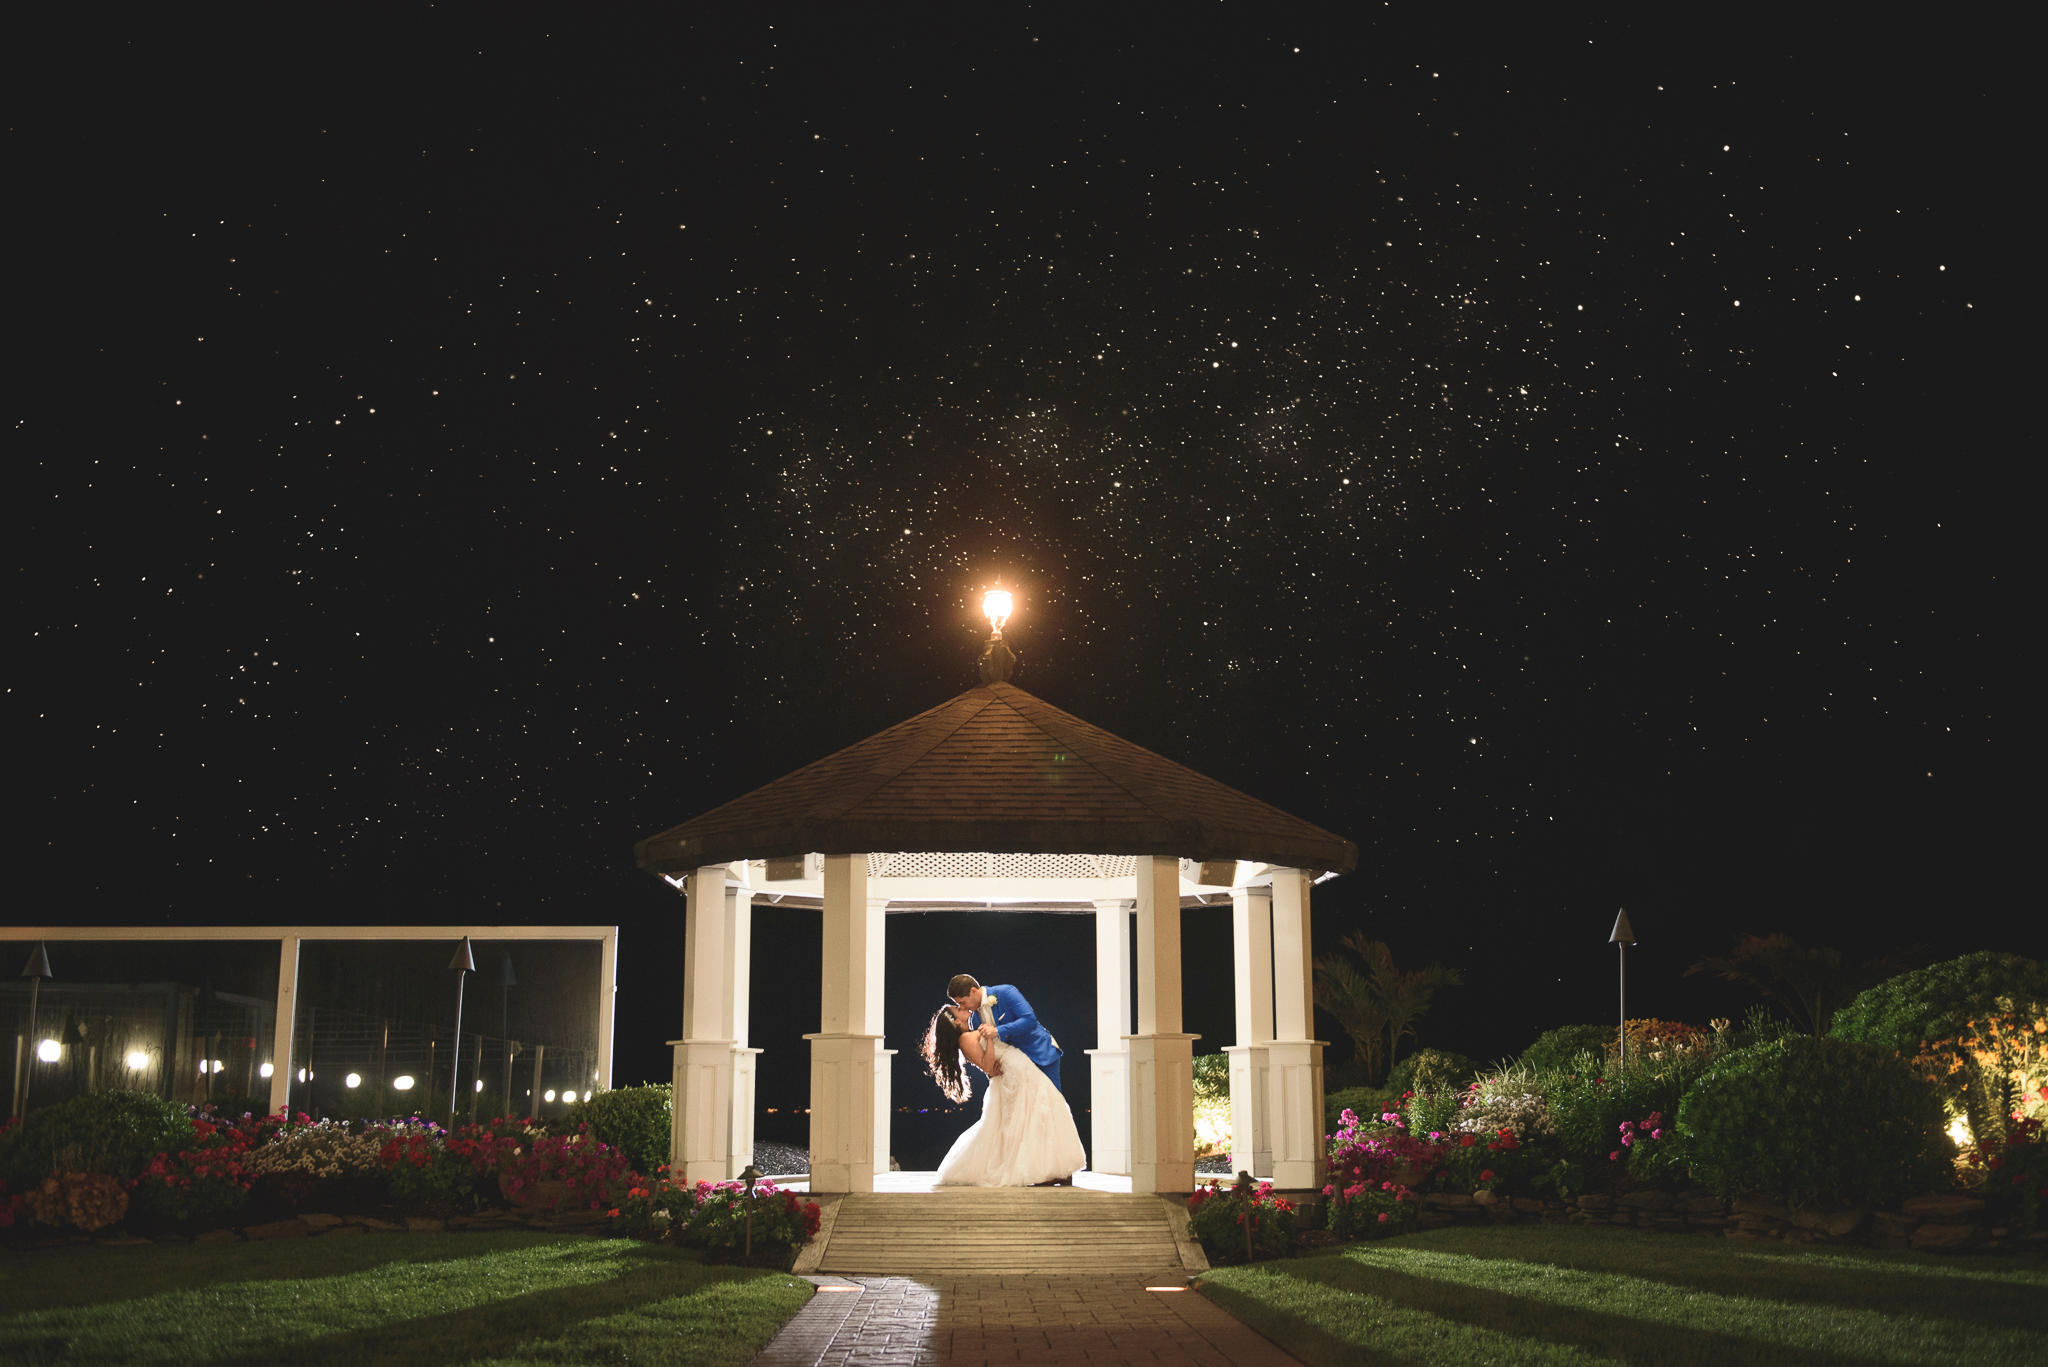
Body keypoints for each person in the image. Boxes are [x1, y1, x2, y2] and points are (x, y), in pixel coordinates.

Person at [920, 1001, 1085, 1187]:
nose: (962, 1007)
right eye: (958, 1009)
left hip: (1021, 1067)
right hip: (1014, 1073)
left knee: (1042, 1114)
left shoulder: (971, 1032)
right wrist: (989, 1039)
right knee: (1033, 1118)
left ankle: (1054, 1169)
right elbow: (988, 1065)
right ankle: (1043, 1170)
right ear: (956, 1022)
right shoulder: (965, 1039)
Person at [948, 973, 1063, 1090]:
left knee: (1050, 1102)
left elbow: (1030, 1020)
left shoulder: (1006, 992)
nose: (962, 1007)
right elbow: (987, 1051)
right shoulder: (974, 1021)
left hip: (1040, 1053)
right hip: (1015, 1070)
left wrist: (998, 1031)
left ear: (973, 991)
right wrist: (991, 1072)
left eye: (962, 1002)